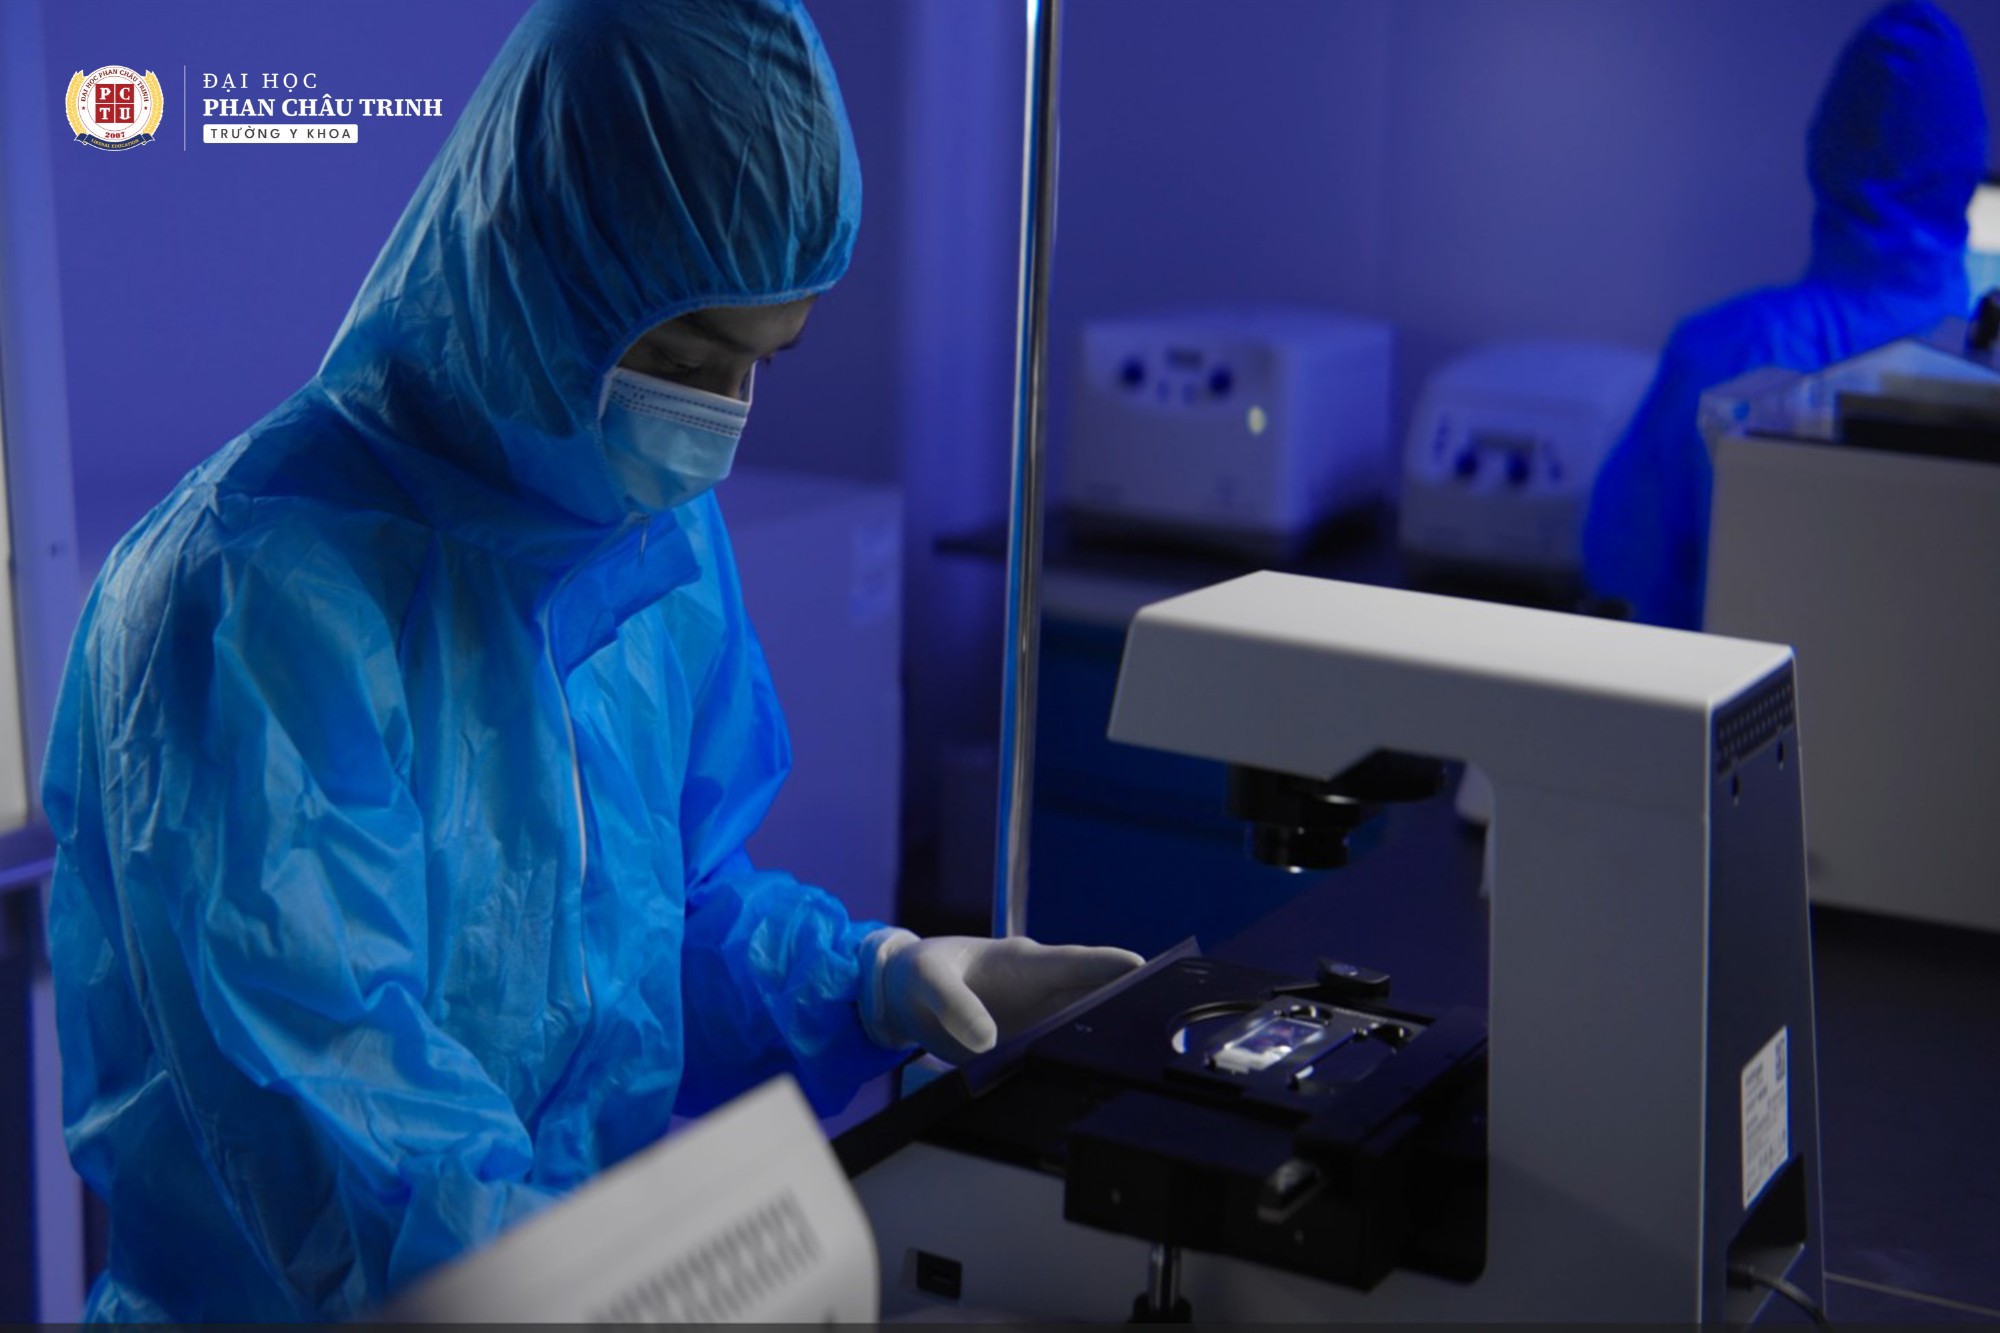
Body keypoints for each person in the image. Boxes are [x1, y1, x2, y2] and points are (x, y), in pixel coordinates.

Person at [43, 0, 1140, 1320]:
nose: (716, 422)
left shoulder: (641, 534)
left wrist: (874, 980)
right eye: (681, 358)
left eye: (760, 364)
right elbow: (341, 1102)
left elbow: (665, 928)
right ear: (529, 273)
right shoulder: (245, 600)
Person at [1583, 0, 1988, 630]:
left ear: (1824, 145)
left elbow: (1622, 578)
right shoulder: (1980, 369)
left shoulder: (1721, 350)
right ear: (1965, 169)